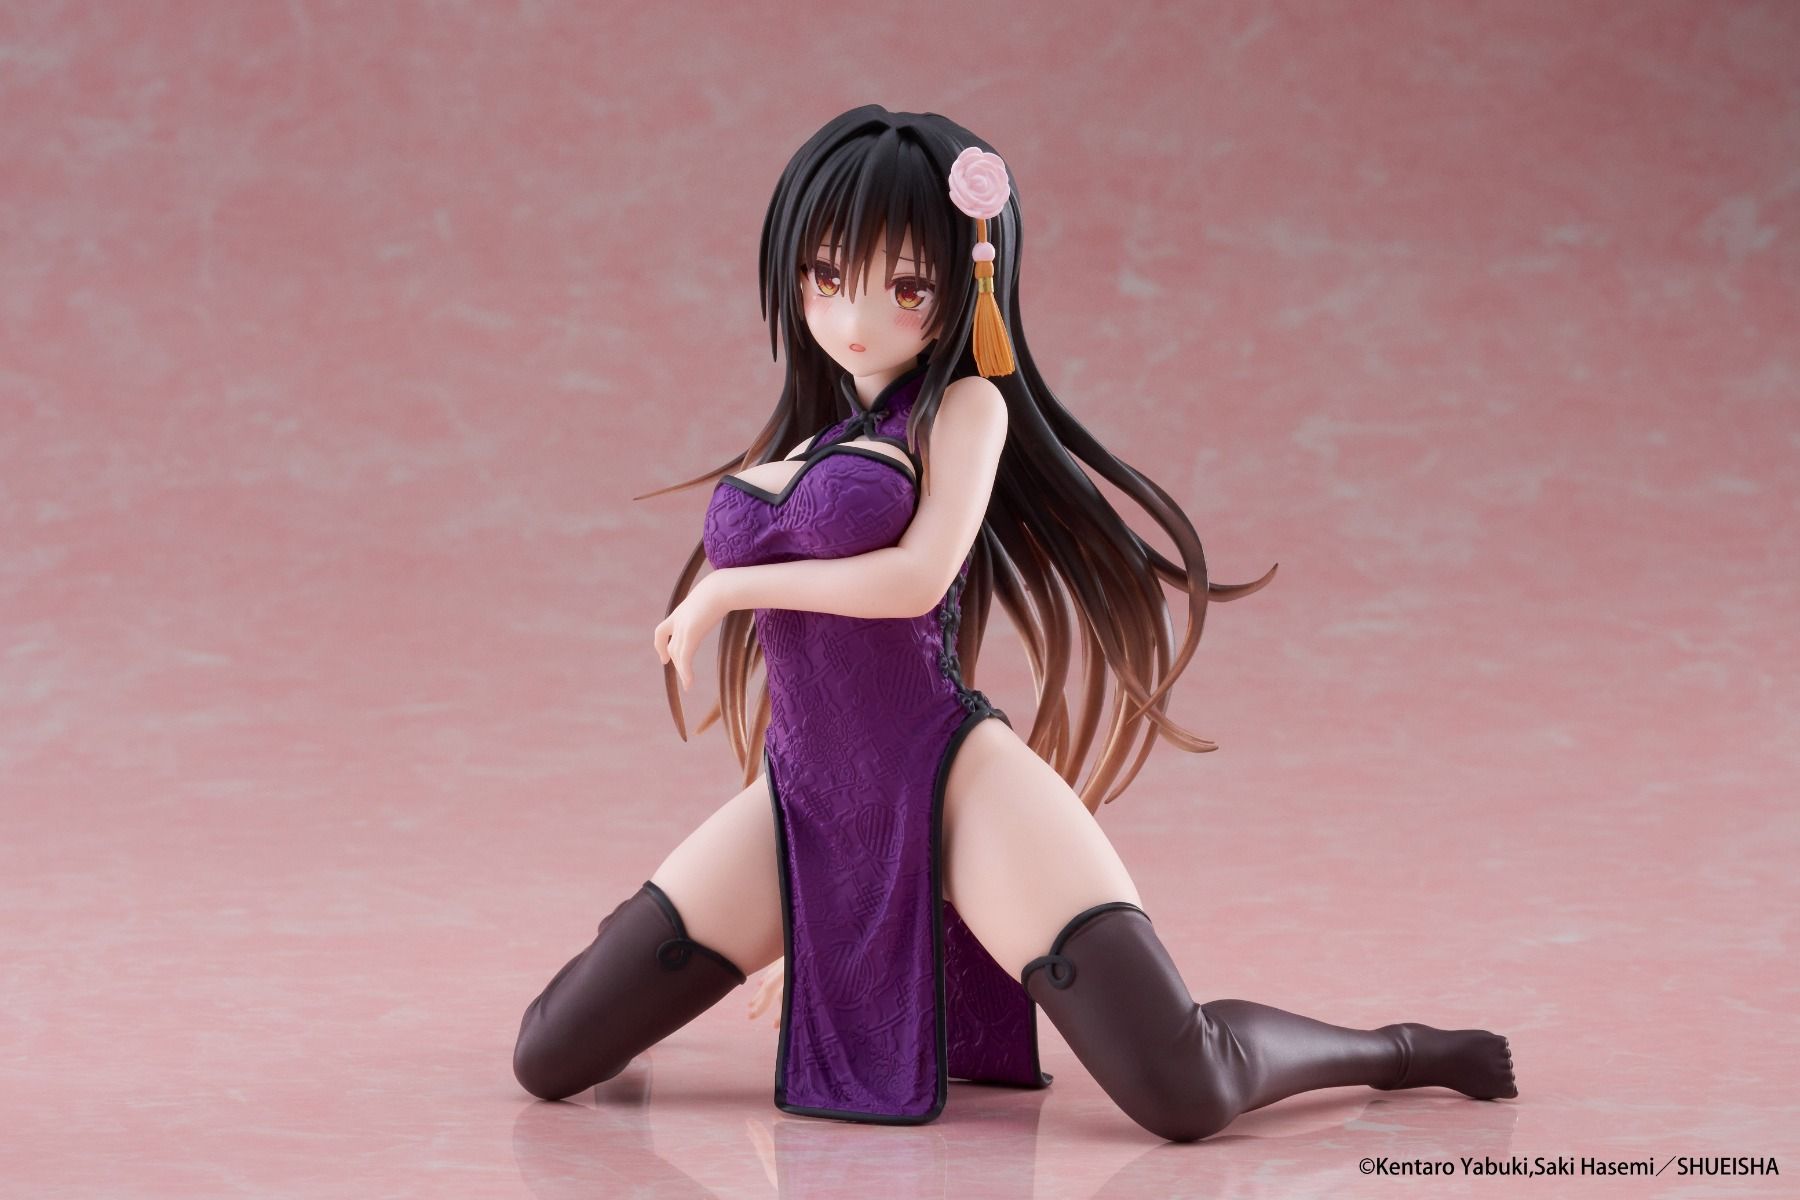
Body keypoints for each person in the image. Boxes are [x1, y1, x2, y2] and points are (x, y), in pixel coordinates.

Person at [511, 105, 1516, 1141]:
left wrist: (726, 591)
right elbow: (813, 670)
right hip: (807, 794)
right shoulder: (810, 444)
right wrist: (796, 918)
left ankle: (1398, 1049)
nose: (856, 316)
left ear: (969, 286)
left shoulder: (964, 411)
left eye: (906, 287)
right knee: (550, 1054)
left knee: (1185, 1087)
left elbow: (917, 579)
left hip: (957, 782)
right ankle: (702, 958)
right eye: (826, 276)